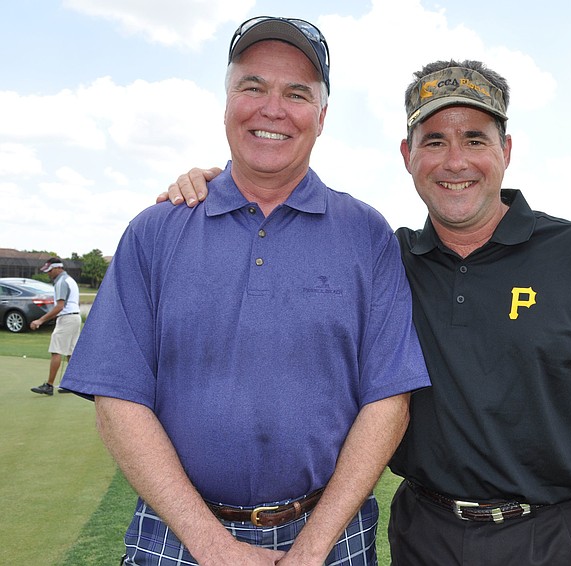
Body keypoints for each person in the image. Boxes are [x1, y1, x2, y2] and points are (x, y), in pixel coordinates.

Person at [165, 60, 571, 565]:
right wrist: (223, 182)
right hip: (424, 536)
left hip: (553, 537)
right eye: (434, 141)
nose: (455, 161)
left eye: (475, 139)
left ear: (507, 151)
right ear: (408, 156)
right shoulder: (389, 259)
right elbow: (284, 243)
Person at [60, 16, 430, 566]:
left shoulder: (366, 233)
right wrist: (211, 545)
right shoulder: (156, 229)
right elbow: (118, 400)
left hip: (328, 534)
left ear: (322, 117)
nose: (272, 109)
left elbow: (388, 401)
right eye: (252, 87)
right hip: (178, 535)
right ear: (227, 101)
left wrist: (311, 549)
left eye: (296, 93)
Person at [29, 257, 81, 396]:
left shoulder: (61, 282)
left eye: (50, 270)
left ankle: (49, 385)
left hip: (67, 318)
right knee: (70, 352)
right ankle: (72, 384)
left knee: (56, 350)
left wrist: (40, 320)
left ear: (58, 268)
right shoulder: (70, 280)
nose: (49, 273)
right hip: (75, 317)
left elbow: (59, 307)